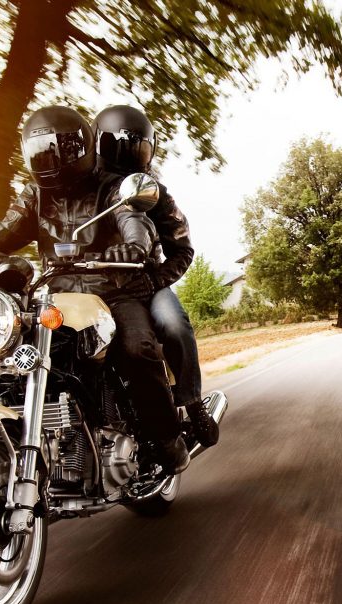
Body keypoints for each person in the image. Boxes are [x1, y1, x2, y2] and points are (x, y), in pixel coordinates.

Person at [0, 105, 189, 474]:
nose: (51, 158)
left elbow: (131, 219)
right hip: (55, 295)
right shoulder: (35, 195)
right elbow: (0, 235)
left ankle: (167, 440)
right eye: (41, 150)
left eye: (60, 149)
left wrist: (133, 247)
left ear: (82, 148)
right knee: (4, 354)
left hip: (112, 290)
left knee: (138, 349)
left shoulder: (110, 185)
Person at [92, 104, 218, 447]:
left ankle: (192, 404)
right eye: (124, 145)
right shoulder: (84, 190)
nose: (131, 154)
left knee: (174, 325)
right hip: (92, 288)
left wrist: (155, 280)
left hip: (146, 283)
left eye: (139, 147)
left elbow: (182, 249)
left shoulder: (154, 192)